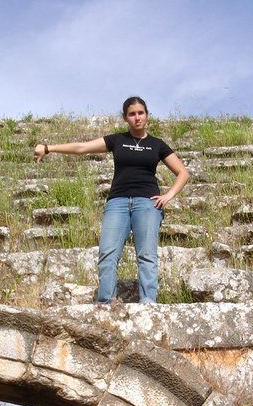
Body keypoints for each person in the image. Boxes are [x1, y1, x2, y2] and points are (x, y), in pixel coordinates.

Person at [33, 96, 190, 304]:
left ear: (147, 115)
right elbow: (82, 148)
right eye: (132, 114)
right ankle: (106, 302)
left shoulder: (157, 144)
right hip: (118, 202)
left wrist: (168, 196)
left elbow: (183, 173)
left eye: (140, 113)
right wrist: (47, 147)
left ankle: (148, 303)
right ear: (125, 117)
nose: (137, 118)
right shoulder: (117, 140)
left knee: (147, 255)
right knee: (107, 253)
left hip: (147, 203)